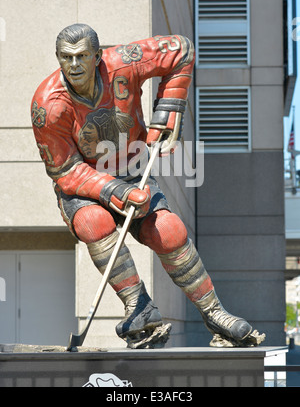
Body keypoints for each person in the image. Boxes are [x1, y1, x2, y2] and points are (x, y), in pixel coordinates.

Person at [31, 23, 264, 348]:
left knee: (170, 230)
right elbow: (64, 169)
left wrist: (169, 108)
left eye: (82, 56)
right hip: (83, 185)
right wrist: (115, 192)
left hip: (132, 168)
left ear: (97, 56)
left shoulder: (125, 61)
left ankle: (214, 313)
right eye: (66, 57)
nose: (74, 65)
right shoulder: (48, 106)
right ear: (57, 58)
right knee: (93, 222)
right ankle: (138, 307)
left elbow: (181, 50)